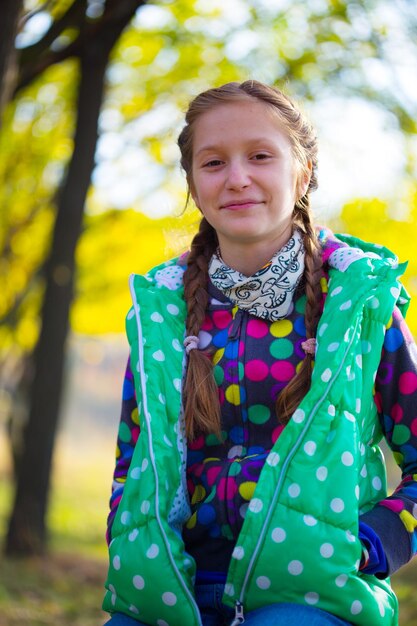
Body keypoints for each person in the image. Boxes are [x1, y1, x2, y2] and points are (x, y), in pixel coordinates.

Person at [102, 80, 417, 626]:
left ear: (303, 173)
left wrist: (372, 543)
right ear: (194, 185)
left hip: (311, 593)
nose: (237, 177)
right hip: (172, 586)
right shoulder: (160, 315)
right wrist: (129, 544)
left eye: (261, 156)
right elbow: (132, 464)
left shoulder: (359, 305)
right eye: (214, 162)